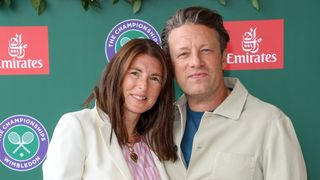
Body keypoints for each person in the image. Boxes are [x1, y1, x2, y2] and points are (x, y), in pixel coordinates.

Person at [161, 6, 307, 180]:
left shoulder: (271, 124)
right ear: (171, 66)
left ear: (223, 58)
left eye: (206, 50)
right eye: (183, 54)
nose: (195, 62)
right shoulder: (160, 125)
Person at [42, 38, 177, 180]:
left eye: (154, 78)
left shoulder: (156, 140)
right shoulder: (78, 126)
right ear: (117, 75)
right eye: (135, 73)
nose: (143, 86)